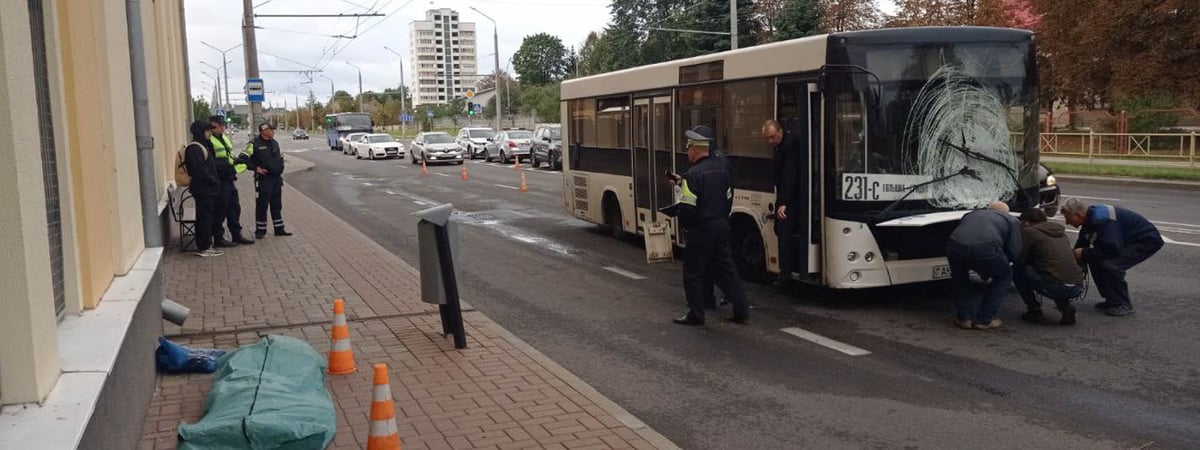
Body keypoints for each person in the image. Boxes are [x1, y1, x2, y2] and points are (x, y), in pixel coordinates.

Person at [669, 128, 750, 326]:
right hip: (721, 226)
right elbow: (728, 197)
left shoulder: (692, 175)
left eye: (688, 148)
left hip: (701, 229)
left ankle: (696, 314)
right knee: (727, 270)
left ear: (695, 150)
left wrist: (682, 220)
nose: (687, 152)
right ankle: (741, 311)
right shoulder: (722, 170)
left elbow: (687, 208)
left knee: (693, 273)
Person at [1061, 197, 1163, 316]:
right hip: (1124, 240)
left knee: (1111, 265)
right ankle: (1112, 299)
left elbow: (1112, 249)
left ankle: (1122, 304)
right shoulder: (1089, 219)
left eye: (1068, 218)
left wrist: (1084, 253)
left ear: (1078, 214)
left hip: (1146, 240)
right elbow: (1082, 244)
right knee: (1095, 260)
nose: (1067, 222)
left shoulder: (1102, 220)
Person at [946, 201, 1021, 330]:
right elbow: (1014, 249)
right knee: (1004, 277)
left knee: (959, 278)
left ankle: (964, 318)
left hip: (954, 245)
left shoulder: (971, 214)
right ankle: (984, 319)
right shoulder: (1010, 220)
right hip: (986, 248)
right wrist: (1009, 263)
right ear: (1006, 212)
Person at [1013, 208, 1085, 325]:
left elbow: (1019, 259)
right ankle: (1065, 306)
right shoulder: (1061, 233)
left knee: (1018, 270)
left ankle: (1034, 309)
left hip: (1055, 286)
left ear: (1026, 222)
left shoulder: (1029, 232)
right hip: (1077, 285)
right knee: (1055, 272)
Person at [762, 119, 802, 288]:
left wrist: (784, 202)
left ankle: (785, 272)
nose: (770, 141)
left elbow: (789, 175)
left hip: (792, 197)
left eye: (772, 137)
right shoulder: (781, 145)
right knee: (780, 229)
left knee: (784, 230)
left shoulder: (789, 146)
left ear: (780, 131)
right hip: (786, 195)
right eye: (767, 139)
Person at [208, 116, 254, 246]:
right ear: (213, 125)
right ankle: (218, 238)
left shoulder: (224, 138)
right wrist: (224, 167)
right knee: (220, 209)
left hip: (228, 178)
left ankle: (236, 234)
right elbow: (211, 162)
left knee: (234, 208)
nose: (223, 127)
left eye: (223, 125)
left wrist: (236, 161)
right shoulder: (209, 140)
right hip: (219, 180)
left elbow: (228, 156)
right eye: (221, 125)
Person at [242, 123, 293, 238]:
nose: (273, 132)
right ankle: (260, 230)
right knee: (262, 205)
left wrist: (281, 168)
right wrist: (256, 168)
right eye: (270, 130)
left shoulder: (275, 143)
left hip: (276, 179)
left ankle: (279, 229)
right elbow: (243, 158)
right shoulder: (254, 144)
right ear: (263, 131)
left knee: (276, 205)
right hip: (263, 180)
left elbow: (281, 158)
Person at [184, 120, 224, 257]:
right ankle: (204, 246)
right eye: (207, 131)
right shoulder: (194, 148)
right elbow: (199, 170)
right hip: (203, 189)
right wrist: (213, 181)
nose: (209, 133)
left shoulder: (203, 146)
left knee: (207, 216)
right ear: (201, 132)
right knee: (204, 218)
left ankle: (206, 244)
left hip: (208, 189)